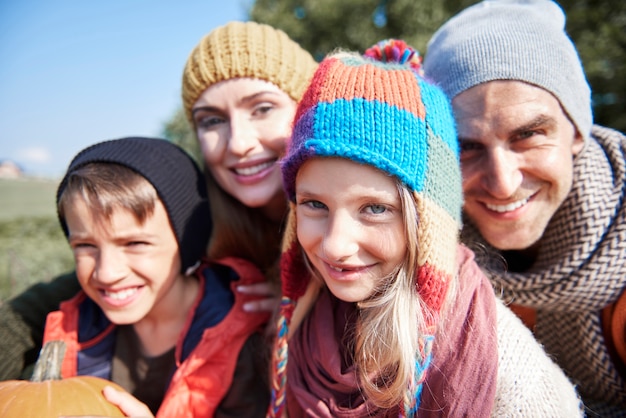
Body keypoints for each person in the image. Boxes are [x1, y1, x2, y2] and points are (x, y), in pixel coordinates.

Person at [266, 40, 583, 417]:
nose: (335, 246)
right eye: (314, 204)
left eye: (375, 209)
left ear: (429, 220)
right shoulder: (301, 322)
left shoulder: (509, 371)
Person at [0, 21, 318, 381]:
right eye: (212, 120)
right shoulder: (196, 220)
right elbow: (65, 295)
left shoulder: (349, 223)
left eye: (262, 109)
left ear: (306, 109)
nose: (238, 143)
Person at [422, 1, 626, 416]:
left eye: (529, 134)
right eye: (467, 147)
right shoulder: (429, 251)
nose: (503, 182)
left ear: (576, 132)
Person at [45, 136, 270, 417]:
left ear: (187, 245)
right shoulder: (70, 331)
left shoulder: (243, 344)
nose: (107, 272)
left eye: (135, 244)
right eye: (85, 246)